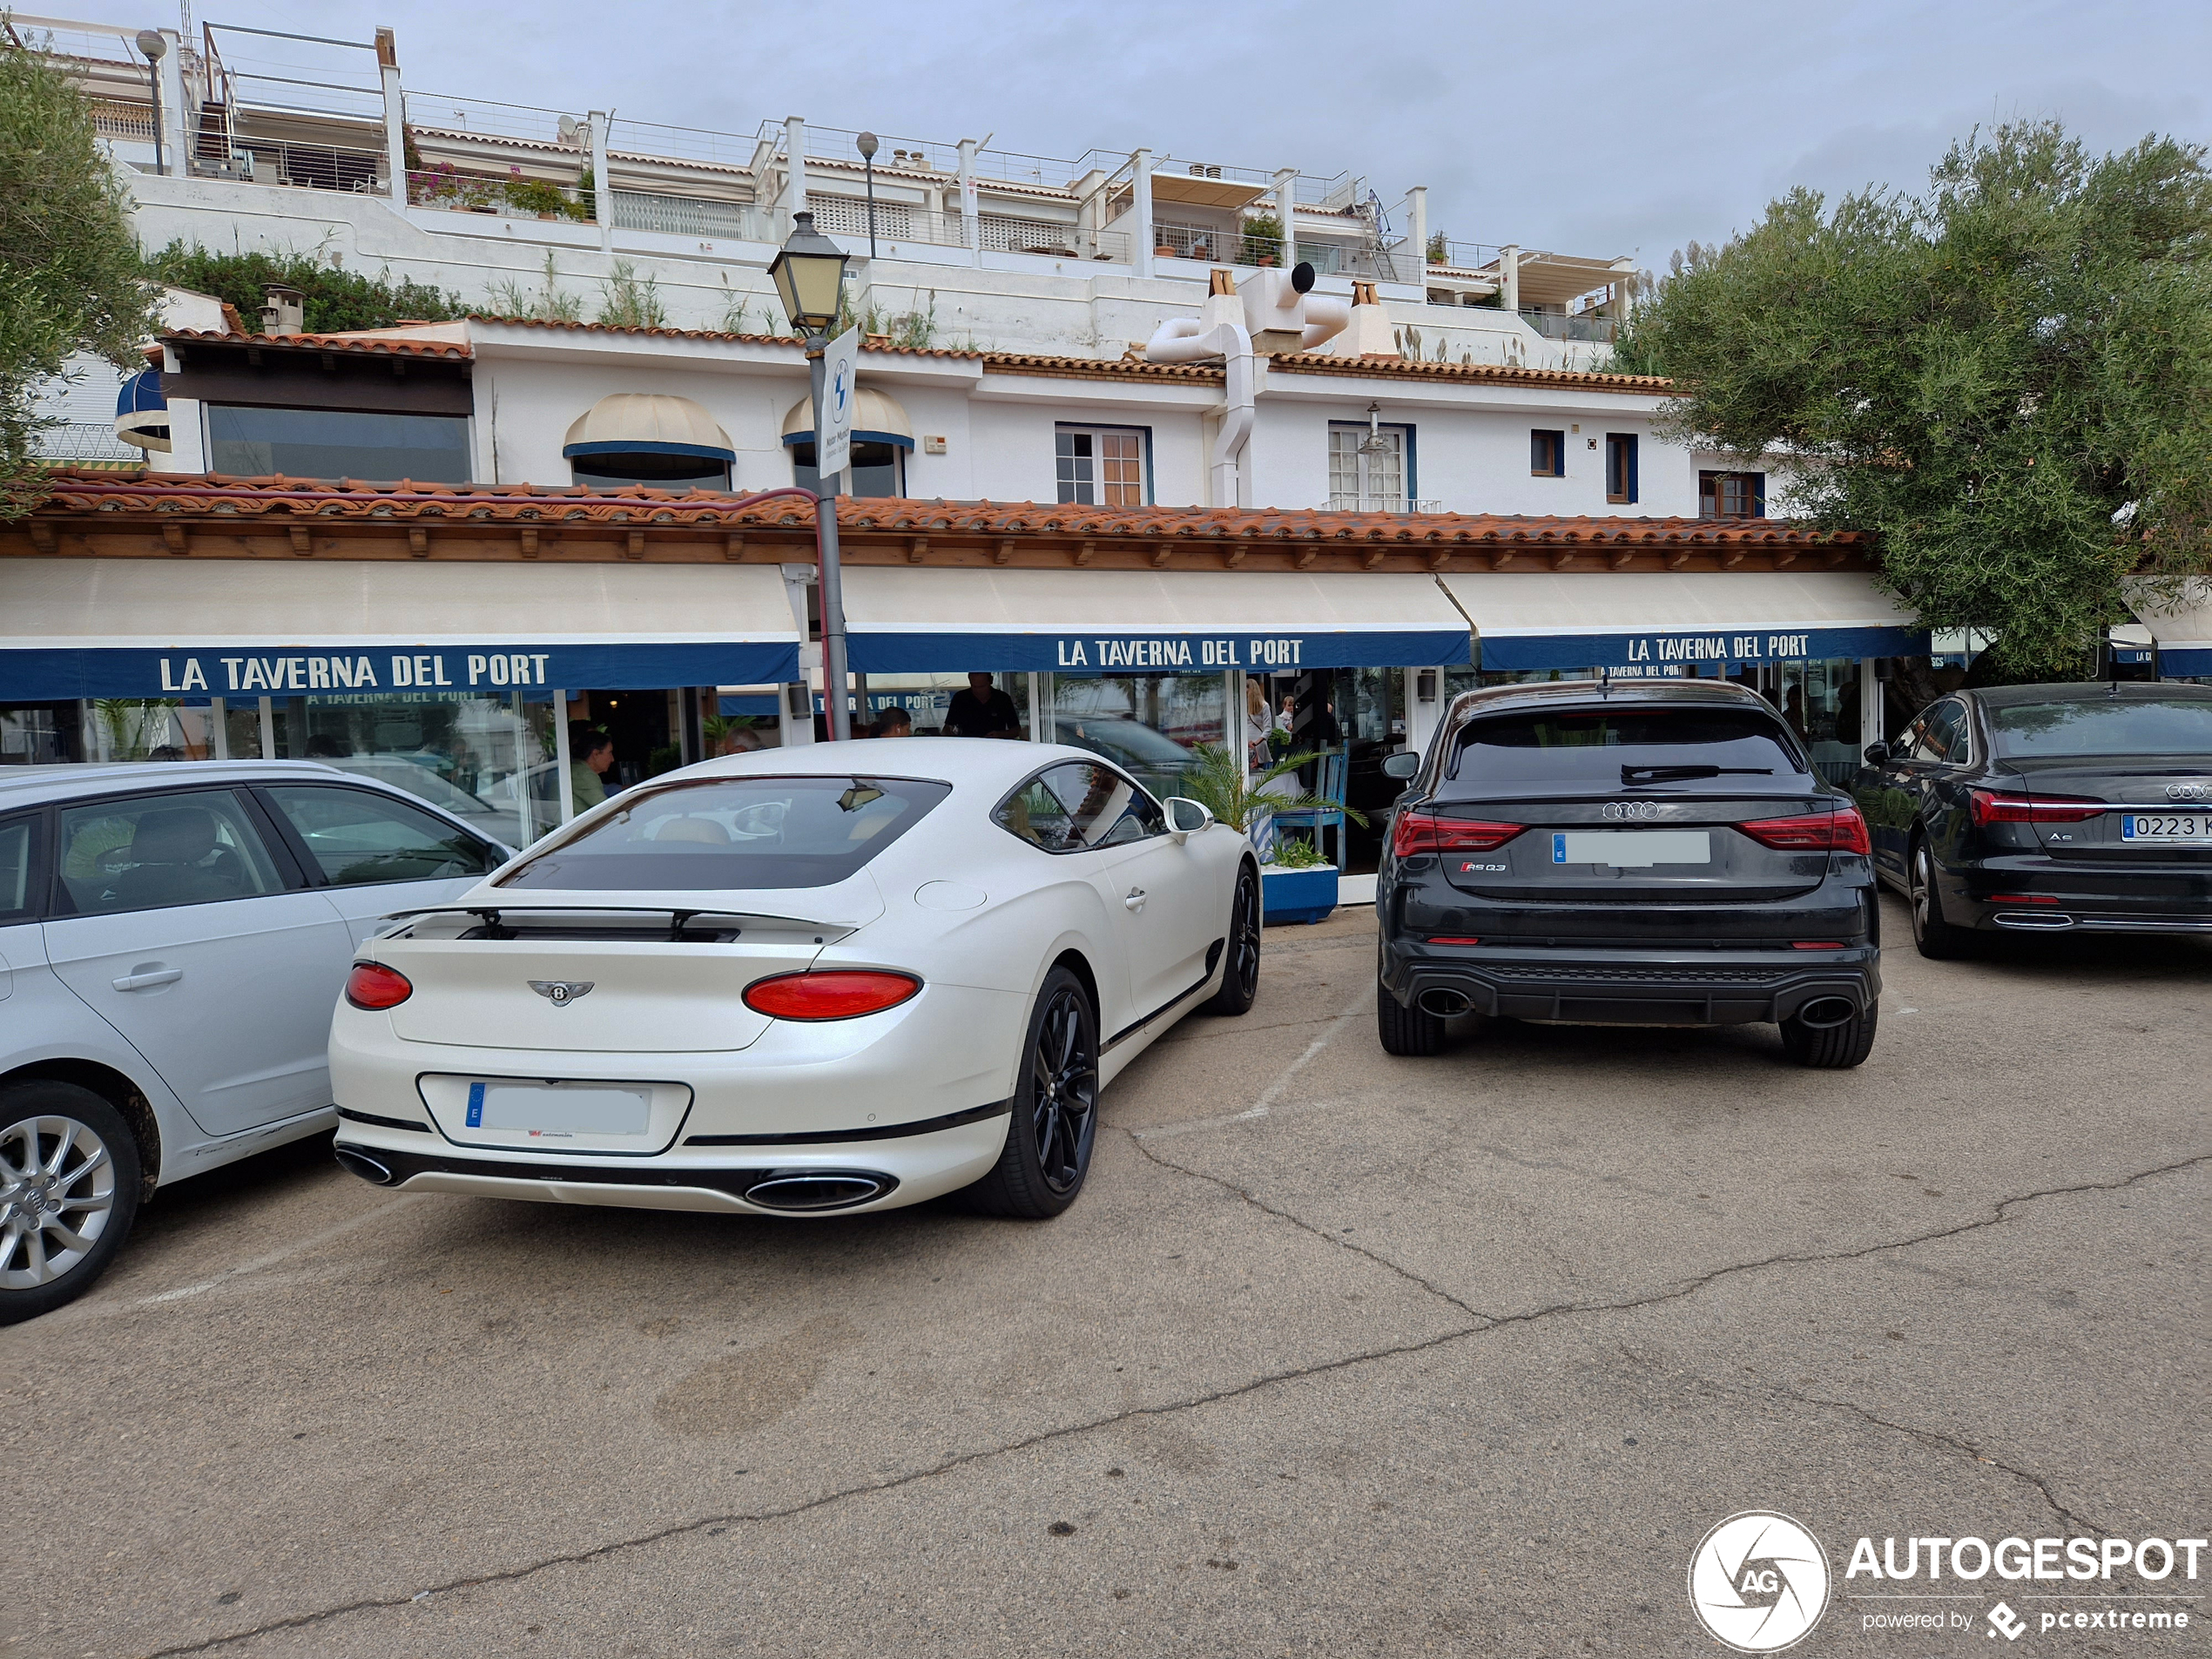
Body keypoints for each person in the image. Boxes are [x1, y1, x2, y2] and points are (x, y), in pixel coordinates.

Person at [943, 672, 1021, 738]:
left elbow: (1016, 730)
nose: (978, 691)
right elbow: (947, 729)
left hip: (996, 748)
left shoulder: (1002, 699)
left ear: (991, 680)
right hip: (966, 748)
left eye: (982, 687)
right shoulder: (960, 698)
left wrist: (1000, 735)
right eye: (974, 686)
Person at [569, 722, 615, 814]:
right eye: (609, 753)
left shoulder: (579, 769)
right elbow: (608, 811)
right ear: (596, 754)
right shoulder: (584, 775)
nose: (612, 759)